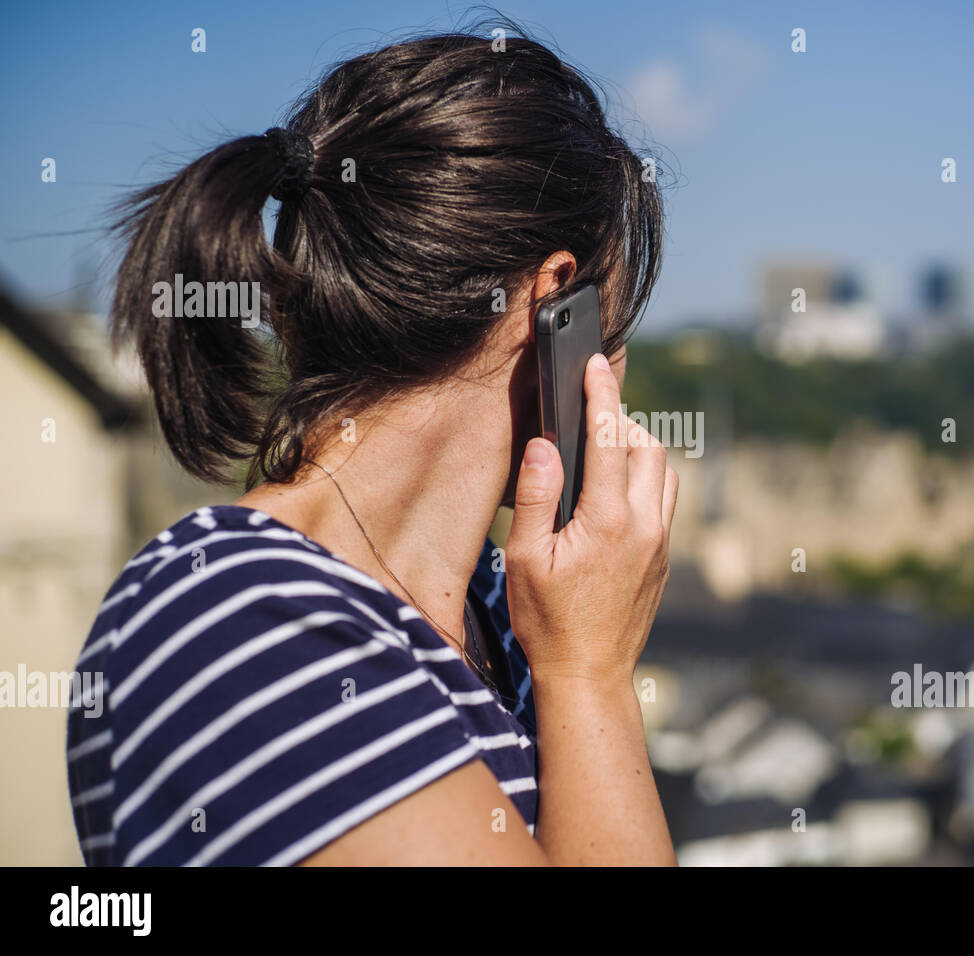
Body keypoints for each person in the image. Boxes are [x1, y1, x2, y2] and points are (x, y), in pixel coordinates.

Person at [66, 22, 678, 866]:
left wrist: (573, 660)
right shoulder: (234, 615)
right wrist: (592, 680)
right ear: (553, 305)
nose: (617, 365)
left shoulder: (506, 620)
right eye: (611, 326)